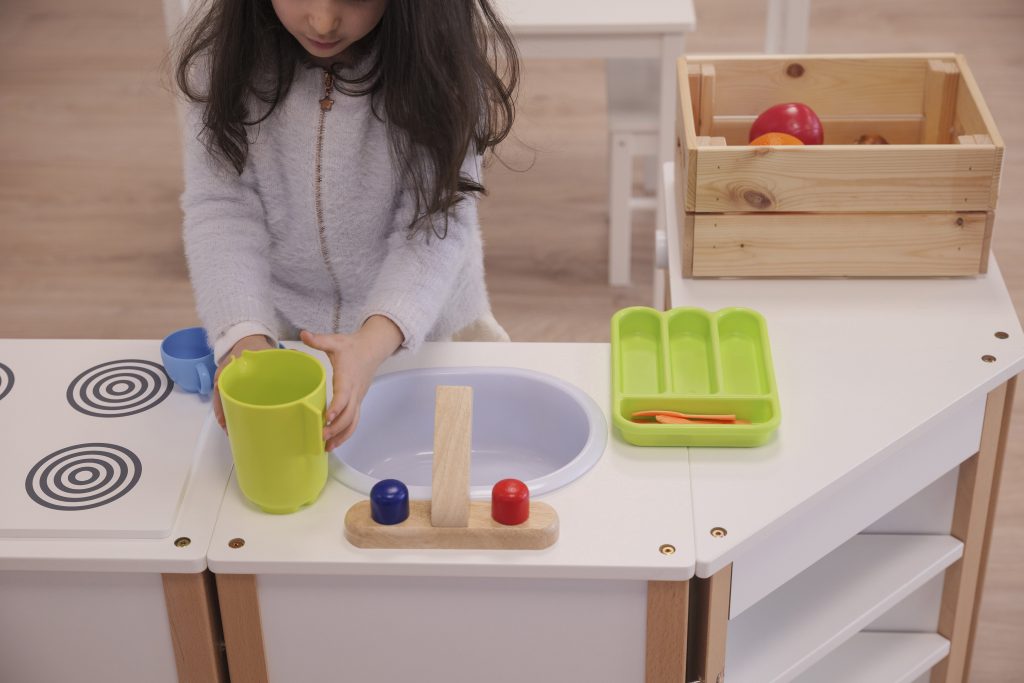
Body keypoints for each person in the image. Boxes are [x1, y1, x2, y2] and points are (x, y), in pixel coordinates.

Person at [173, 0, 518, 449]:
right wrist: (243, 335)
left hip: (422, 333)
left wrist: (371, 343)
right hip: (284, 334)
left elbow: (436, 224)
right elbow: (222, 206)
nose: (322, 21)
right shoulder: (221, 60)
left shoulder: (439, 70)